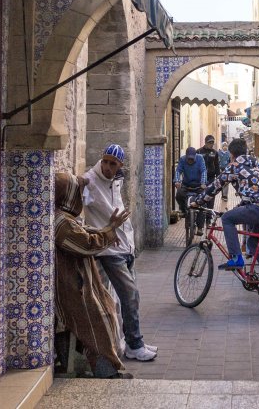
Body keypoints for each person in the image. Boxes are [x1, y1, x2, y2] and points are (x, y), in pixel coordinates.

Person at [53, 172, 133, 378]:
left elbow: (86, 231)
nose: (79, 196)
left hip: (77, 283)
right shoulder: (61, 223)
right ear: (67, 194)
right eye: (76, 191)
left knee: (107, 307)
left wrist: (108, 229)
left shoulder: (65, 218)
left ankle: (104, 367)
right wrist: (109, 230)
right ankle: (106, 371)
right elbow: (86, 244)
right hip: (71, 287)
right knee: (100, 318)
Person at [83, 144, 158, 362]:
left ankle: (130, 341)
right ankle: (135, 345)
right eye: (105, 161)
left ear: (120, 166)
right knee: (130, 295)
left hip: (125, 248)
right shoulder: (90, 181)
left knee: (130, 297)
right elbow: (80, 202)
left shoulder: (116, 180)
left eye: (112, 164)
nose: (107, 166)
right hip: (108, 251)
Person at [190, 138, 259, 282]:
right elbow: (252, 194)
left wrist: (197, 202)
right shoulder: (255, 166)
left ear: (231, 154)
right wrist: (237, 209)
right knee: (252, 242)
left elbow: (215, 186)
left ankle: (236, 257)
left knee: (227, 218)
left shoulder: (234, 166)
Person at [174, 146, 207, 235]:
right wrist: (177, 181)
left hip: (198, 185)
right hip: (186, 185)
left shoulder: (200, 159)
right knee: (179, 194)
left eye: (192, 159)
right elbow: (178, 171)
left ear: (195, 156)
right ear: (186, 156)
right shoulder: (182, 159)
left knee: (203, 202)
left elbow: (203, 171)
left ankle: (200, 227)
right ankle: (183, 211)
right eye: (189, 159)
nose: (190, 160)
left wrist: (203, 183)